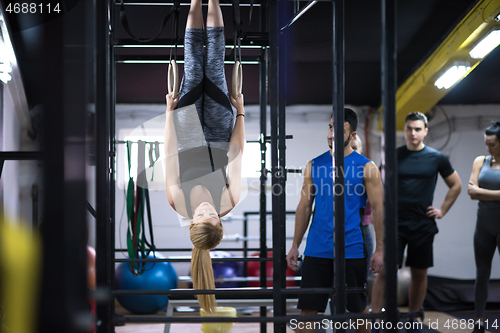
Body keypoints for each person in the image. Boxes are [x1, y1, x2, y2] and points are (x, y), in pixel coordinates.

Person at [164, 0, 246, 314]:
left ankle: (197, 1)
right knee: (213, 61)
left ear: (191, 222)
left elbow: (170, 154)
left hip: (185, 131)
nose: (206, 209)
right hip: (219, 129)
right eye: (212, 217)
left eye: (200, 217)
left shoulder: (177, 201)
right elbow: (237, 153)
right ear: (220, 222)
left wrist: (169, 115)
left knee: (192, 62)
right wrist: (239, 113)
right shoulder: (229, 199)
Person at [286, 109, 385, 333]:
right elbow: (304, 207)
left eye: (338, 129)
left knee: (358, 312)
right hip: (317, 247)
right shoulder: (314, 165)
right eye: (330, 127)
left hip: (351, 247)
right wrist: (294, 245)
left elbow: (378, 209)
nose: (332, 133)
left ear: (352, 135)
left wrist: (379, 249)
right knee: (308, 312)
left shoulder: (367, 167)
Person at [370, 112, 462, 332]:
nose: (413, 133)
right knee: (385, 271)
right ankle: (373, 319)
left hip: (422, 224)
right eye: (410, 128)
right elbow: (377, 187)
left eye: (418, 129)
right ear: (405, 130)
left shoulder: (437, 158)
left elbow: (456, 185)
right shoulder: (393, 155)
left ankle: (413, 317)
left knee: (419, 273)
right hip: (395, 224)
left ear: (425, 131)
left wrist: (442, 210)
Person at [467, 121, 500, 333]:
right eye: (486, 143)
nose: (487, 148)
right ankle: (479, 321)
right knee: (482, 274)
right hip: (484, 226)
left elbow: (478, 191)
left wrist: (483, 193)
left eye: (492, 144)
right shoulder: (481, 161)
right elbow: (471, 191)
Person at [351, 134, 374, 277]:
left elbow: (374, 208)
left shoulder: (368, 173)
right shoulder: (333, 173)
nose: (352, 152)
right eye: (348, 148)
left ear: (360, 150)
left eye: (355, 148)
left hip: (362, 229)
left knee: (362, 278)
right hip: (339, 230)